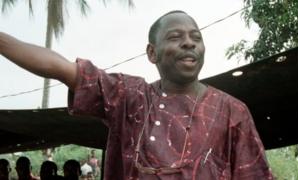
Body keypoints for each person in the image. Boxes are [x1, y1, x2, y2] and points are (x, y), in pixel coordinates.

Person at [0, 10, 274, 179]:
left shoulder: (232, 111)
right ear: (152, 53)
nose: (189, 42)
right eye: (176, 36)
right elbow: (61, 69)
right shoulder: (129, 97)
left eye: (196, 37)